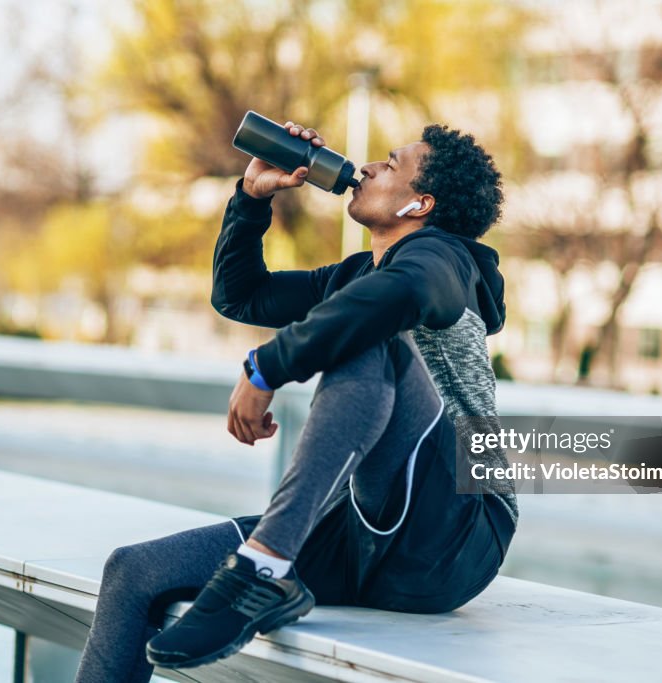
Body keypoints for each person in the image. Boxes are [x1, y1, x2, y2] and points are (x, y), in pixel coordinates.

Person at [74, 120, 518, 682]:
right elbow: (242, 295)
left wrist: (267, 367)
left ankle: (262, 568)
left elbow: (399, 295)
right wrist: (252, 200)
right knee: (133, 572)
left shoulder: (445, 259)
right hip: (353, 531)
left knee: (368, 338)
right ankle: (267, 566)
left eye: (390, 163)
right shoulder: (358, 273)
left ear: (419, 203)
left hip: (455, 530)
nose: (371, 166)